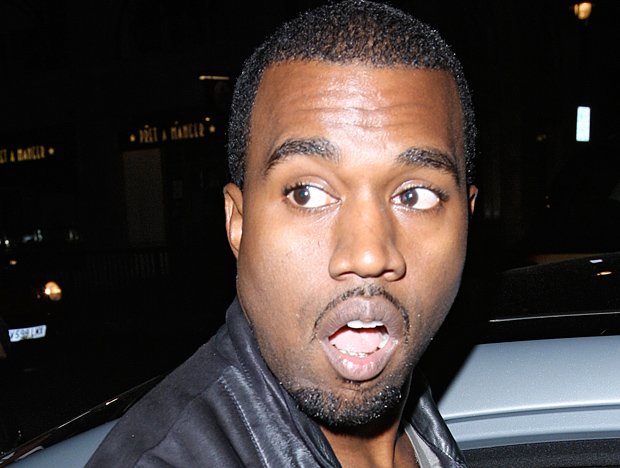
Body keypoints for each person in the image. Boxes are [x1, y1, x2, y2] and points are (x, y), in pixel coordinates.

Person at [86, 1, 478, 467]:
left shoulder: (418, 430)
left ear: (468, 220)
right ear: (238, 222)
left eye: (415, 196)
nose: (369, 255)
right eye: (307, 194)